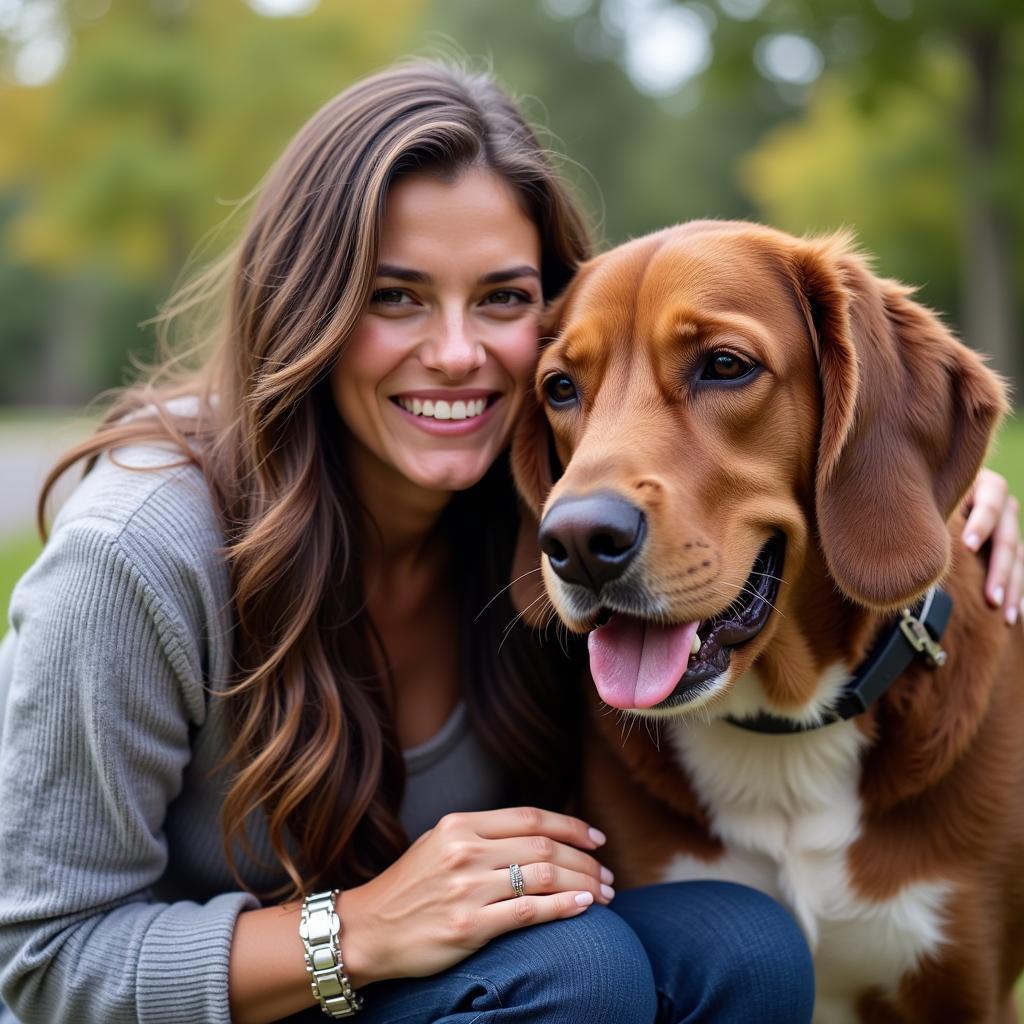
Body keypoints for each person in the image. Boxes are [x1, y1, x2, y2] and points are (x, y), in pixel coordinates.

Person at [0, 61, 1020, 1024]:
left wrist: (915, 492)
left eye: (500, 299)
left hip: (456, 973)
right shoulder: (132, 558)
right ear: (304, 306)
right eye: (393, 295)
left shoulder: (534, 490)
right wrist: (353, 932)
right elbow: (41, 962)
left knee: (738, 946)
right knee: (579, 973)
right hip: (207, 999)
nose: (454, 354)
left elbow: (846, 429)